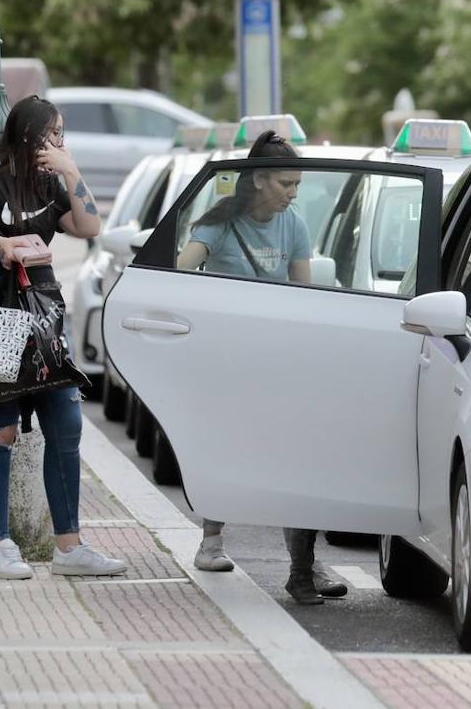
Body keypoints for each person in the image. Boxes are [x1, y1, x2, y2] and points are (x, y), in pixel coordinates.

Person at [0, 95, 126, 581]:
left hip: (45, 318)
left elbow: (89, 225)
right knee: (0, 429)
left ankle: (69, 546)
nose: (58, 143)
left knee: (67, 425)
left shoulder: (52, 183)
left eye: (62, 137)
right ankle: (0, 545)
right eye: (53, 135)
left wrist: (71, 169)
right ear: (28, 134)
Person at [176, 130, 347, 605]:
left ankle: (303, 569)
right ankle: (211, 539)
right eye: (286, 184)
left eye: (297, 184)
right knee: (227, 447)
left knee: (300, 458)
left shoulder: (294, 224)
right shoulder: (218, 223)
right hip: (229, 358)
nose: (294, 194)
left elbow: (304, 294)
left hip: (279, 356)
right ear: (258, 181)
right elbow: (180, 272)